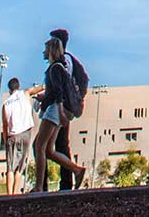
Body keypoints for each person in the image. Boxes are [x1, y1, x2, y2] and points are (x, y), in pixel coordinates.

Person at [32, 37, 86, 188]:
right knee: (48, 150)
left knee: (39, 146)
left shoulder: (55, 68)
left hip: (55, 110)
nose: (43, 52)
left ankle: (38, 187)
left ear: (50, 50)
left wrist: (61, 112)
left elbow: (58, 92)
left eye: (46, 49)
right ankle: (76, 169)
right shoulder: (60, 67)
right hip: (58, 109)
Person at [49, 28, 90, 192]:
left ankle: (66, 181)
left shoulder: (64, 61)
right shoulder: (70, 60)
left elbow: (62, 86)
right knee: (57, 145)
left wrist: (63, 105)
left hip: (62, 107)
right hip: (67, 107)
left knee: (49, 146)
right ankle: (66, 180)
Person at [0, 76, 36, 194]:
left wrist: (5, 138)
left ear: (10, 90)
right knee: (20, 167)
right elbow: (35, 89)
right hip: (26, 133)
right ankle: (15, 192)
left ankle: (9, 194)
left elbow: (5, 124)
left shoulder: (6, 104)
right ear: (18, 86)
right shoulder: (24, 94)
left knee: (10, 167)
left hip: (13, 135)